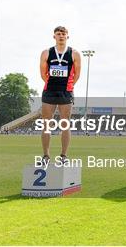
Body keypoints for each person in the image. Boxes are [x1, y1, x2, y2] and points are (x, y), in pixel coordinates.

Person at [40, 26, 81, 164]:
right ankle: (46, 156)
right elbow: (43, 73)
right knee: (46, 124)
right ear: (54, 36)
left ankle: (63, 156)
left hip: (66, 92)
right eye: (58, 34)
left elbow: (77, 75)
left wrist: (68, 86)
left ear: (67, 36)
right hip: (49, 91)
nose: (61, 36)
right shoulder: (46, 53)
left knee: (65, 124)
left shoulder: (74, 54)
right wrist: (52, 84)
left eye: (63, 34)